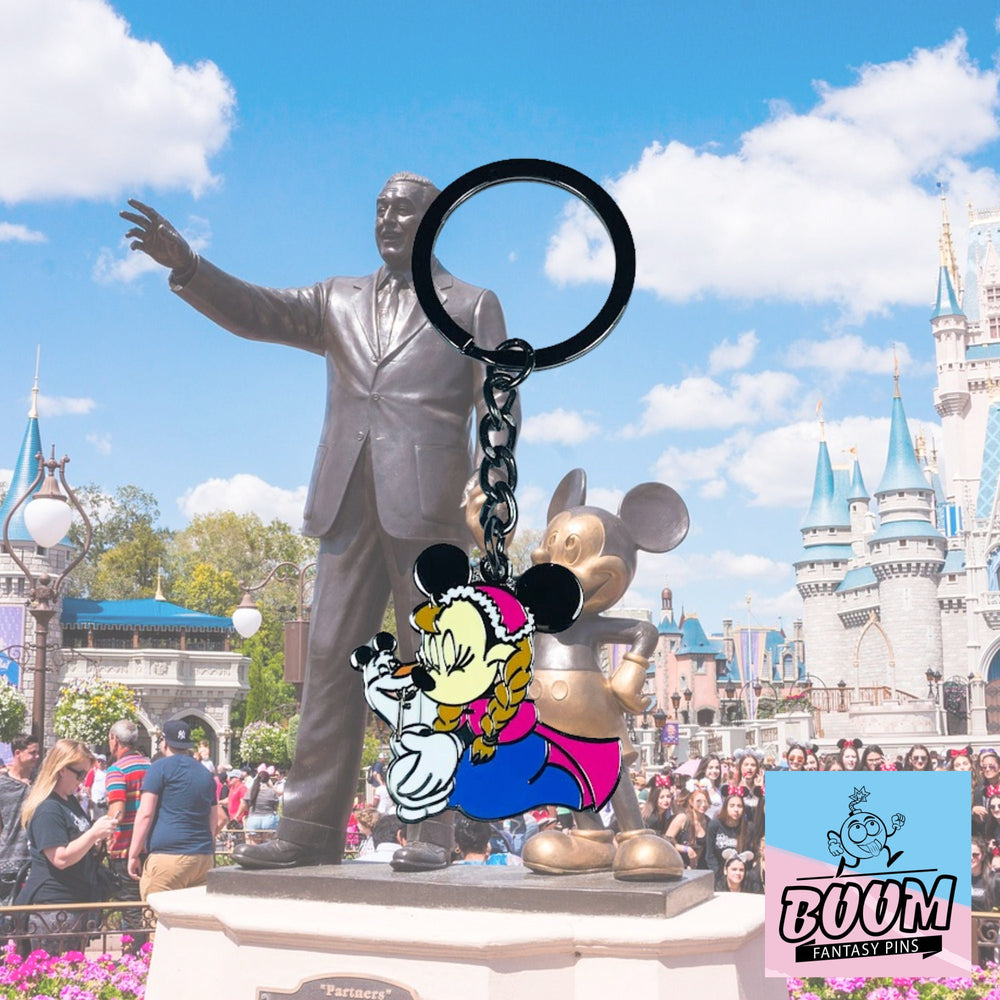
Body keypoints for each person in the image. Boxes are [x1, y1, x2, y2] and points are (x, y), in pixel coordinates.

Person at [122, 172, 509, 872]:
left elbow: (498, 402)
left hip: (432, 507)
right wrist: (190, 266)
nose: (387, 219)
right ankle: (307, 829)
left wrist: (491, 486)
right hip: (346, 501)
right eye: (380, 208)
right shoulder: (339, 298)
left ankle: (429, 832)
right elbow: (258, 310)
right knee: (331, 659)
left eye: (404, 210)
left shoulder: (472, 304)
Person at [15, 739, 117, 954]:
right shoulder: (48, 808)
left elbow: (76, 842)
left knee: (69, 970)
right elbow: (59, 858)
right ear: (61, 769)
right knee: (52, 971)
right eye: (80, 774)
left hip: (74, 901)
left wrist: (97, 840)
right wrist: (93, 834)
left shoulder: (68, 800)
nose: (83, 780)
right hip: (53, 907)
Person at [127, 720, 225, 898]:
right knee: (193, 914)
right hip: (202, 857)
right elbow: (213, 819)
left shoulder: (159, 768)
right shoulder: (205, 773)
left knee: (156, 911)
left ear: (164, 742)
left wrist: (133, 854)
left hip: (168, 856)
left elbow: (145, 814)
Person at [105, 719, 151, 945]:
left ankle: (134, 956)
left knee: (130, 909)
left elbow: (118, 811)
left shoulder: (116, 770)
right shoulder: (151, 767)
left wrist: (103, 835)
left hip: (124, 849)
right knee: (146, 906)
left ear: (115, 740)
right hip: (149, 847)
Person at [0, 734, 39, 884]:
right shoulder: (3, 785)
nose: (37, 757)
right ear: (18, 753)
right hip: (8, 861)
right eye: (32, 753)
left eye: (37, 753)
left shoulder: (41, 782)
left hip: (37, 860)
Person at [705, 792, 750, 876]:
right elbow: (710, 855)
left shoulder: (748, 827)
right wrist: (718, 874)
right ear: (725, 807)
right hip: (719, 873)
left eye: (739, 806)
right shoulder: (714, 825)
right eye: (732, 806)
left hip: (740, 874)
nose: (736, 809)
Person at [244, 767, 281, 843]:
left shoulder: (251, 790)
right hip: (268, 820)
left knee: (254, 846)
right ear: (268, 780)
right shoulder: (271, 792)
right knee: (267, 846)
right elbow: (276, 807)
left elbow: (245, 804)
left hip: (253, 819)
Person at [83, 754, 109, 821]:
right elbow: (87, 786)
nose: (100, 763)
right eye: (99, 761)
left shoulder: (108, 773)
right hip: (95, 800)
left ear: (105, 762)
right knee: (96, 819)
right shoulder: (93, 772)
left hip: (105, 801)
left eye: (102, 761)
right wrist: (90, 798)